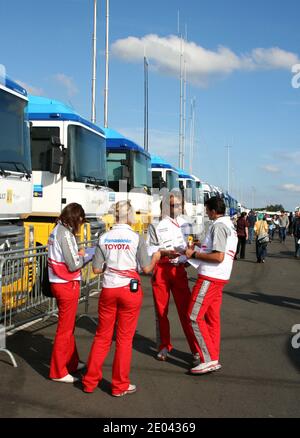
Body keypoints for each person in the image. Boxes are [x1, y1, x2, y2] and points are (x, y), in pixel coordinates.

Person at [82, 201, 160, 396]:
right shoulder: (136, 238)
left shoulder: (103, 237)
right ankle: (119, 386)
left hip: (109, 289)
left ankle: (89, 381)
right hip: (129, 290)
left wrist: (112, 266)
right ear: (130, 216)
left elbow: (96, 269)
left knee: (102, 336)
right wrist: (156, 258)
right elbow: (146, 269)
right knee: (124, 339)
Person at [185, 197, 238, 375]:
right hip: (218, 277)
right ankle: (212, 356)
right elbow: (216, 249)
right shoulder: (227, 224)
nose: (206, 213)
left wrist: (193, 255)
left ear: (213, 211)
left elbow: (218, 256)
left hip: (210, 276)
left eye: (207, 210)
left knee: (193, 316)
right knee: (211, 319)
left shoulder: (219, 226)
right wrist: (200, 246)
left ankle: (208, 359)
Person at [147, 191, 198, 362]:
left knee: (187, 312)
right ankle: (163, 346)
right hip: (161, 270)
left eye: (177, 204)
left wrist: (187, 260)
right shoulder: (155, 225)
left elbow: (191, 247)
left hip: (179, 271)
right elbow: (149, 250)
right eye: (171, 204)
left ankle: (196, 349)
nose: (175, 207)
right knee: (161, 312)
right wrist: (163, 252)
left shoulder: (186, 224)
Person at [48, 203, 86, 383]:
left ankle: (71, 362)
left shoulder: (56, 229)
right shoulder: (65, 234)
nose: (81, 223)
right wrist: (85, 256)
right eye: (81, 219)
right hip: (66, 284)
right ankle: (58, 371)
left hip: (58, 282)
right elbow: (73, 264)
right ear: (76, 218)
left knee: (67, 326)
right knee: (65, 329)